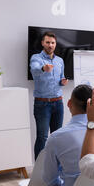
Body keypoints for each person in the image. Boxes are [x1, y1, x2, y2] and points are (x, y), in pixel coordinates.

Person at [30, 32, 68, 160]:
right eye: (47, 42)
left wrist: (62, 82)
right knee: (42, 137)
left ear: (55, 44)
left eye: (52, 43)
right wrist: (43, 68)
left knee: (57, 136)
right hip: (42, 104)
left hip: (58, 103)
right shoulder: (36, 58)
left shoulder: (60, 60)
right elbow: (34, 70)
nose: (50, 45)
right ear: (42, 43)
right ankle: (38, 170)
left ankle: (55, 166)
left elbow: (61, 77)